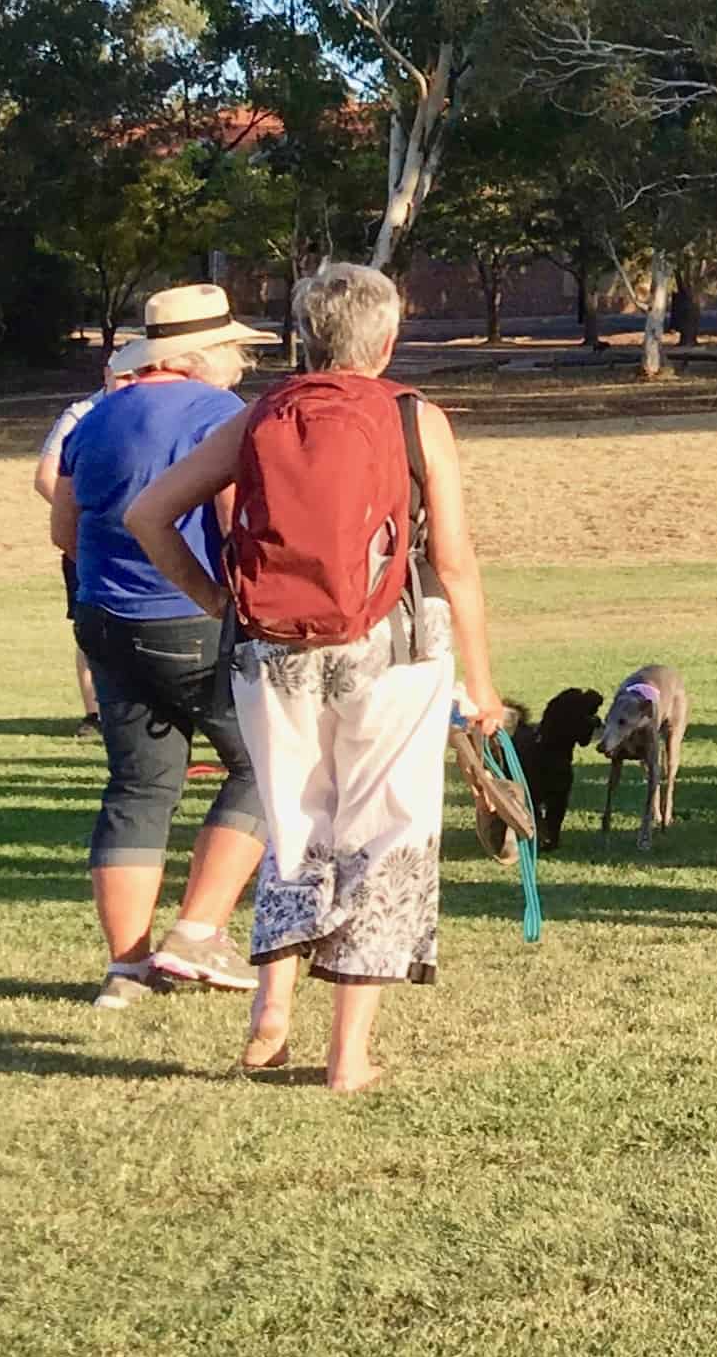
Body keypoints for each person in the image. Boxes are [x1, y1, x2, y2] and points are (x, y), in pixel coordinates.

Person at [122, 264, 510, 1091]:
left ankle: (269, 1020)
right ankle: (349, 1054)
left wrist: (216, 598)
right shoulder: (415, 417)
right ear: (389, 339)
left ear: (306, 336)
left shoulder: (262, 412)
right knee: (385, 834)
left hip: (271, 651)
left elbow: (145, 514)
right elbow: (456, 562)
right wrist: (480, 686)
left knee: (294, 827)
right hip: (393, 649)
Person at [47, 287, 277, 1008]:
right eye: (234, 349)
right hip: (190, 617)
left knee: (138, 786)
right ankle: (198, 930)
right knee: (264, 766)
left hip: (104, 620)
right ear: (201, 354)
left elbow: (64, 530)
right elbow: (236, 520)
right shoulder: (219, 416)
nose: (241, 362)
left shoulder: (95, 415)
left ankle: (126, 967)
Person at [34, 348, 137, 740]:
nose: (127, 383)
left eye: (135, 374)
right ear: (107, 373)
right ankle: (95, 714)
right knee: (91, 627)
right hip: (93, 543)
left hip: (145, 541)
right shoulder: (81, 415)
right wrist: (90, 522)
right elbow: (46, 478)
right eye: (121, 375)